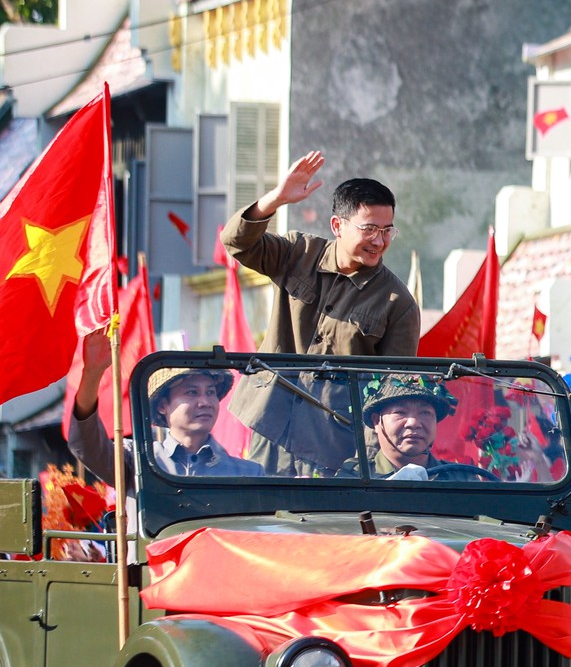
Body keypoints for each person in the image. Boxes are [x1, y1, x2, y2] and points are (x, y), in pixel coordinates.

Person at [222, 154, 420, 471]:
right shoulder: (297, 253)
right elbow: (235, 242)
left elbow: (390, 394)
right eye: (369, 229)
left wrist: (365, 464)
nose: (379, 241)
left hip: (331, 449)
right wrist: (276, 199)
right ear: (337, 226)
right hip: (268, 425)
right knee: (257, 518)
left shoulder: (398, 302)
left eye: (387, 231)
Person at [67, 327, 263, 483]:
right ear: (163, 405)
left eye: (210, 392)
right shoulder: (136, 462)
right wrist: (92, 372)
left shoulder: (249, 474)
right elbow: (87, 444)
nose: (205, 402)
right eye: (192, 392)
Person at [348, 375, 456, 478]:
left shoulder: (462, 480)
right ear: (377, 421)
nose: (413, 423)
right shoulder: (352, 479)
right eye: (400, 412)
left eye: (425, 413)